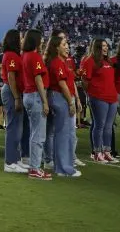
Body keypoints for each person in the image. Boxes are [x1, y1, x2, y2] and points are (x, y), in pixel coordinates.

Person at [46, 34, 81, 177]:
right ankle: (63, 169)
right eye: (64, 44)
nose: (67, 47)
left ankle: (62, 166)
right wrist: (71, 102)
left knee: (63, 134)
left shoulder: (61, 62)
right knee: (63, 134)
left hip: (62, 98)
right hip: (61, 98)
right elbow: (62, 84)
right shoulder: (57, 63)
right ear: (56, 47)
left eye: (67, 44)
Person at [80, 38, 118, 163]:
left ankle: (107, 152)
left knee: (108, 126)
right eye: (102, 46)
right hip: (98, 98)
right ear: (96, 48)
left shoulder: (109, 61)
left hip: (112, 98)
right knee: (99, 125)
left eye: (106, 46)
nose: (105, 48)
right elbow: (85, 81)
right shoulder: (89, 61)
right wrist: (91, 94)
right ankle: (97, 152)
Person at [21, 28, 51, 180]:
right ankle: (35, 168)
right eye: (41, 40)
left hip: (28, 94)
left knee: (34, 133)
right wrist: (45, 101)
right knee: (39, 135)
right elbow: (38, 79)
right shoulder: (34, 56)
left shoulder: (25, 55)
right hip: (36, 96)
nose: (43, 42)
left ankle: (34, 166)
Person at [0, 29, 26, 173]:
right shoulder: (11, 55)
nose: (22, 40)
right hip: (11, 91)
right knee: (12, 127)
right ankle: (10, 162)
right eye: (20, 38)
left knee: (17, 128)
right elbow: (11, 78)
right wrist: (16, 97)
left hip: (14, 91)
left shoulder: (14, 54)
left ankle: (15, 159)